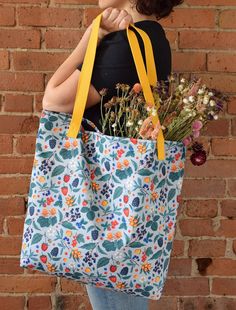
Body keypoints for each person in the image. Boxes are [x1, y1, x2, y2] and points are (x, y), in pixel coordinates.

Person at [42, 0, 183, 309]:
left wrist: (92, 34)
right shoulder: (153, 39)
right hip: (126, 209)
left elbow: (53, 99)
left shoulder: (123, 46)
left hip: (108, 215)